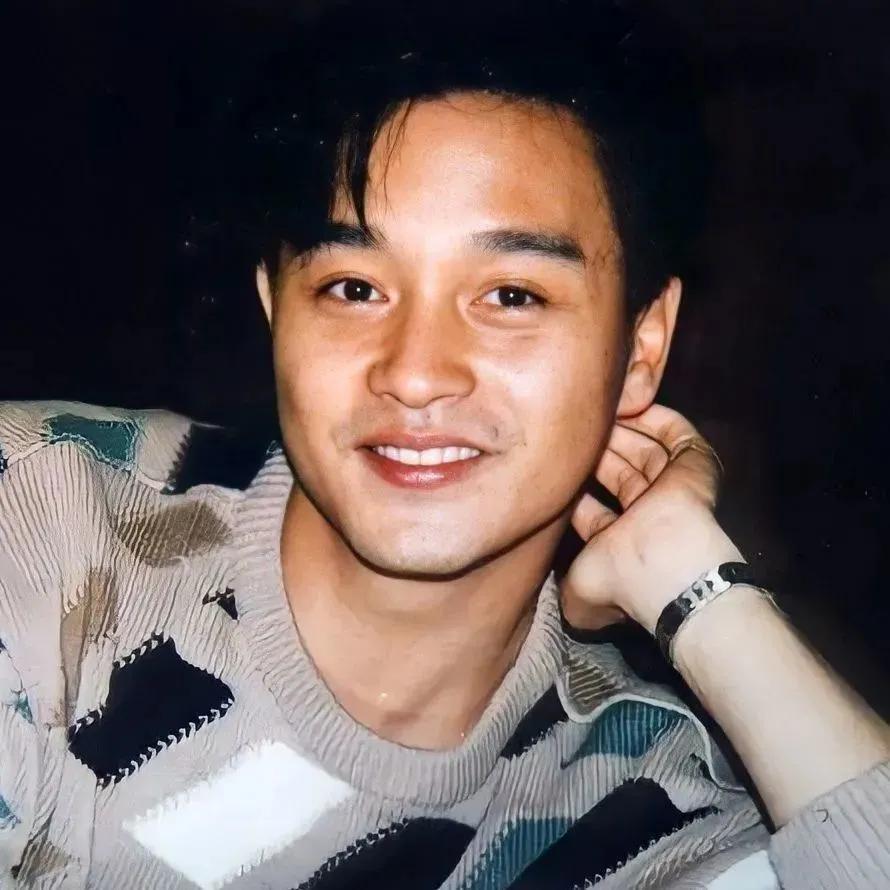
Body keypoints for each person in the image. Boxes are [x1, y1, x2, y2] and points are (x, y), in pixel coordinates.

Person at [0, 4, 887, 888]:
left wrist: (699, 591)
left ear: (640, 348)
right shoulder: (39, 520)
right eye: (354, 288)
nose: (416, 375)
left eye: (511, 297)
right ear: (275, 308)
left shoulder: (642, 811)